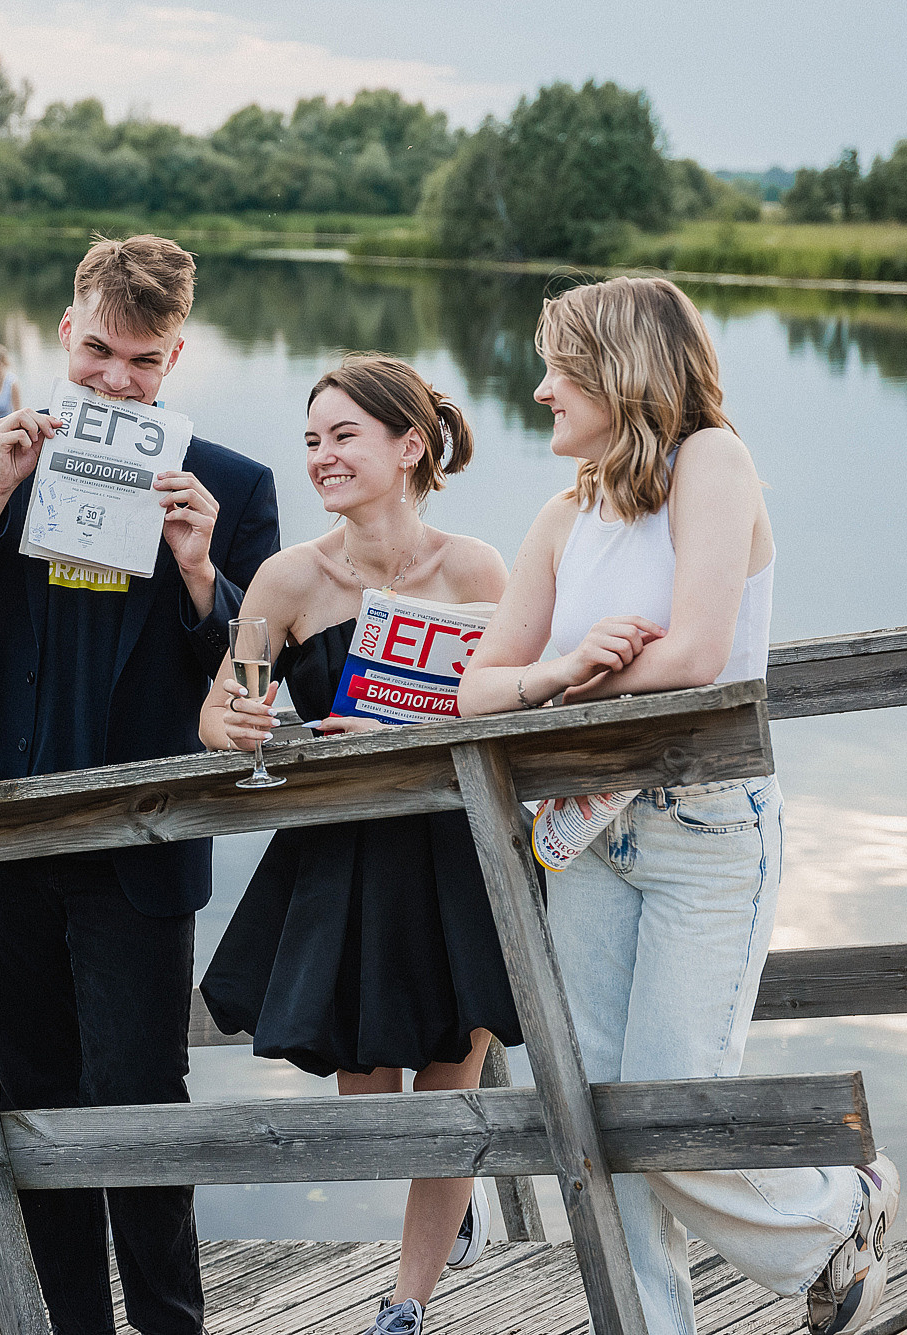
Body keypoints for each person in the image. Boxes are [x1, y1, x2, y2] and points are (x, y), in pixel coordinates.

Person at [457, 275, 898, 1335]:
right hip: (585, 840)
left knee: (670, 1106)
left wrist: (566, 680)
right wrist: (562, 669)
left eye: (558, 368)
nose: (537, 391)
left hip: (704, 825)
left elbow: (699, 654)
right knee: (601, 1123)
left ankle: (840, 1206)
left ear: (619, 370)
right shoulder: (563, 516)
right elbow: (476, 687)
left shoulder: (711, 461)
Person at [0, 235, 280, 1335]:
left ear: (175, 361)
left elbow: (249, 685)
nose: (115, 379)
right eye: (99, 352)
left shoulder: (235, 490)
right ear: (64, 333)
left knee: (144, 1104)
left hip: (138, 846)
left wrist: (204, 572)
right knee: (35, 1104)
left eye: (142, 363)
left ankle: (169, 1326)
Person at [197, 355, 522, 1335]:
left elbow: (510, 704)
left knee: (451, 1081)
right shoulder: (288, 578)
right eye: (309, 442)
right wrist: (238, 726)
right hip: (339, 857)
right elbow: (223, 701)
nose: (321, 458)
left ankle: (405, 1301)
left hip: (452, 851)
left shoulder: (474, 570)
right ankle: (449, 1202)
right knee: (374, 1104)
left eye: (342, 436)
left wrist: (413, 735)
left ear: (407, 446)